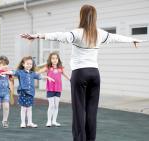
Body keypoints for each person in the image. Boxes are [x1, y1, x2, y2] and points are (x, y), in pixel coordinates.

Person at [20, 4, 142, 141]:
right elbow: (116, 37)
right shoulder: (99, 33)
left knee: (79, 111)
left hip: (80, 74)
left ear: (81, 16)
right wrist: (132, 39)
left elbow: (59, 36)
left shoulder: (77, 33)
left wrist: (37, 36)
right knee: (91, 111)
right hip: (95, 74)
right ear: (95, 17)